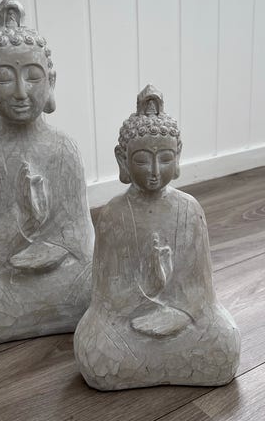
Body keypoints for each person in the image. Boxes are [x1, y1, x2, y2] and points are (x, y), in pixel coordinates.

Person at [0, 0, 94, 346]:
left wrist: (53, 247)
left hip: (61, 270)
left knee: (97, 279)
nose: (21, 91)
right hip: (4, 274)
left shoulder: (64, 149)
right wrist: (27, 219)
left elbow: (80, 236)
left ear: (51, 81)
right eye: (3, 78)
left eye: (33, 76)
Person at [74, 85, 240, 390]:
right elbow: (106, 298)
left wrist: (179, 314)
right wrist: (147, 296)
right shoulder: (113, 214)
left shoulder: (189, 210)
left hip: (181, 319)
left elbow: (201, 294)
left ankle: (155, 362)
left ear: (178, 155)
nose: (154, 170)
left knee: (225, 343)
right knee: (93, 349)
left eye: (164, 158)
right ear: (123, 160)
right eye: (141, 160)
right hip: (130, 322)